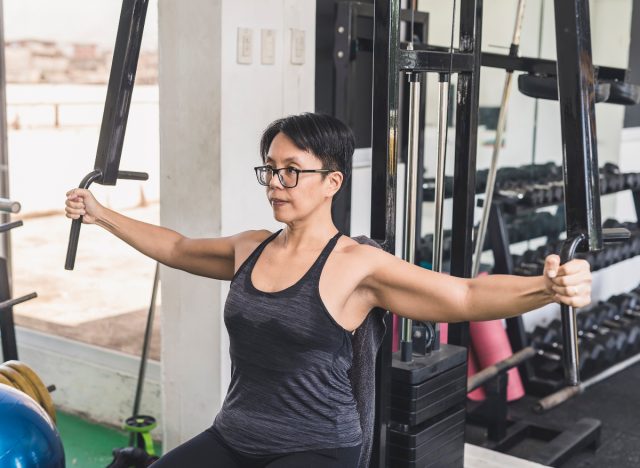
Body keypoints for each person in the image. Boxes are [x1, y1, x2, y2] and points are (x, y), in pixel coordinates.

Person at [65, 113, 592, 468]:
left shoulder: (356, 265)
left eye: (292, 171)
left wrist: (547, 287)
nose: (275, 183)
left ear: (332, 182)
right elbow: (178, 248)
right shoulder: (250, 248)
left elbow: (463, 297)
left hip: (316, 447)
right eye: (270, 169)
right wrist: (103, 215)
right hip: (236, 432)